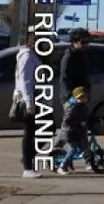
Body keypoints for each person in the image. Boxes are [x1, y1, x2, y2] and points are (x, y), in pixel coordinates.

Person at [13, 25, 42, 180]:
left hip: (31, 99)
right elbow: (26, 82)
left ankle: (28, 158)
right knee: (29, 133)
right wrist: (30, 104)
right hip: (28, 101)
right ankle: (27, 167)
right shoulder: (27, 57)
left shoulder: (30, 56)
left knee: (42, 129)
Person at [55, 87, 93, 174]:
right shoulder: (72, 107)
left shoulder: (82, 106)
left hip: (77, 131)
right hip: (69, 132)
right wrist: (78, 124)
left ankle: (69, 161)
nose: (84, 99)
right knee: (73, 149)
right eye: (81, 97)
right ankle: (62, 167)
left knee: (83, 148)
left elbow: (85, 117)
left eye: (85, 97)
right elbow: (67, 120)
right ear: (76, 98)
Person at [60, 29, 92, 101]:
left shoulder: (83, 55)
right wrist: (72, 98)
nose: (86, 45)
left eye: (87, 42)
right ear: (74, 42)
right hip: (73, 100)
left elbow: (85, 77)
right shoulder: (69, 57)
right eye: (83, 42)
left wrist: (87, 94)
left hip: (83, 97)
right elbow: (64, 79)